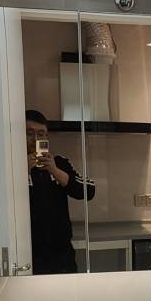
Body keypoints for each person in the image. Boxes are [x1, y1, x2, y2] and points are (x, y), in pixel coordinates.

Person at [26, 110, 95, 274]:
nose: (35, 139)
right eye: (29, 133)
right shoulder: (12, 168)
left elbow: (88, 191)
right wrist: (24, 170)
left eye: (40, 134)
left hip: (62, 255)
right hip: (28, 254)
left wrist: (54, 170)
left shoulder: (60, 163)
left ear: (47, 137)